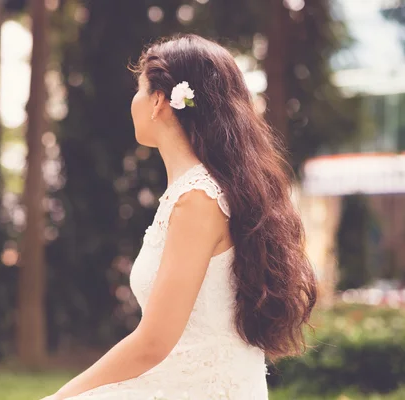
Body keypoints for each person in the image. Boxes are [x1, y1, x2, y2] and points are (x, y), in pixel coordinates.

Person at [41, 34, 317, 400]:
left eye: (139, 89)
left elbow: (153, 342)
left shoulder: (199, 200)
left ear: (158, 102)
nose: (134, 101)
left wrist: (58, 397)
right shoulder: (201, 192)